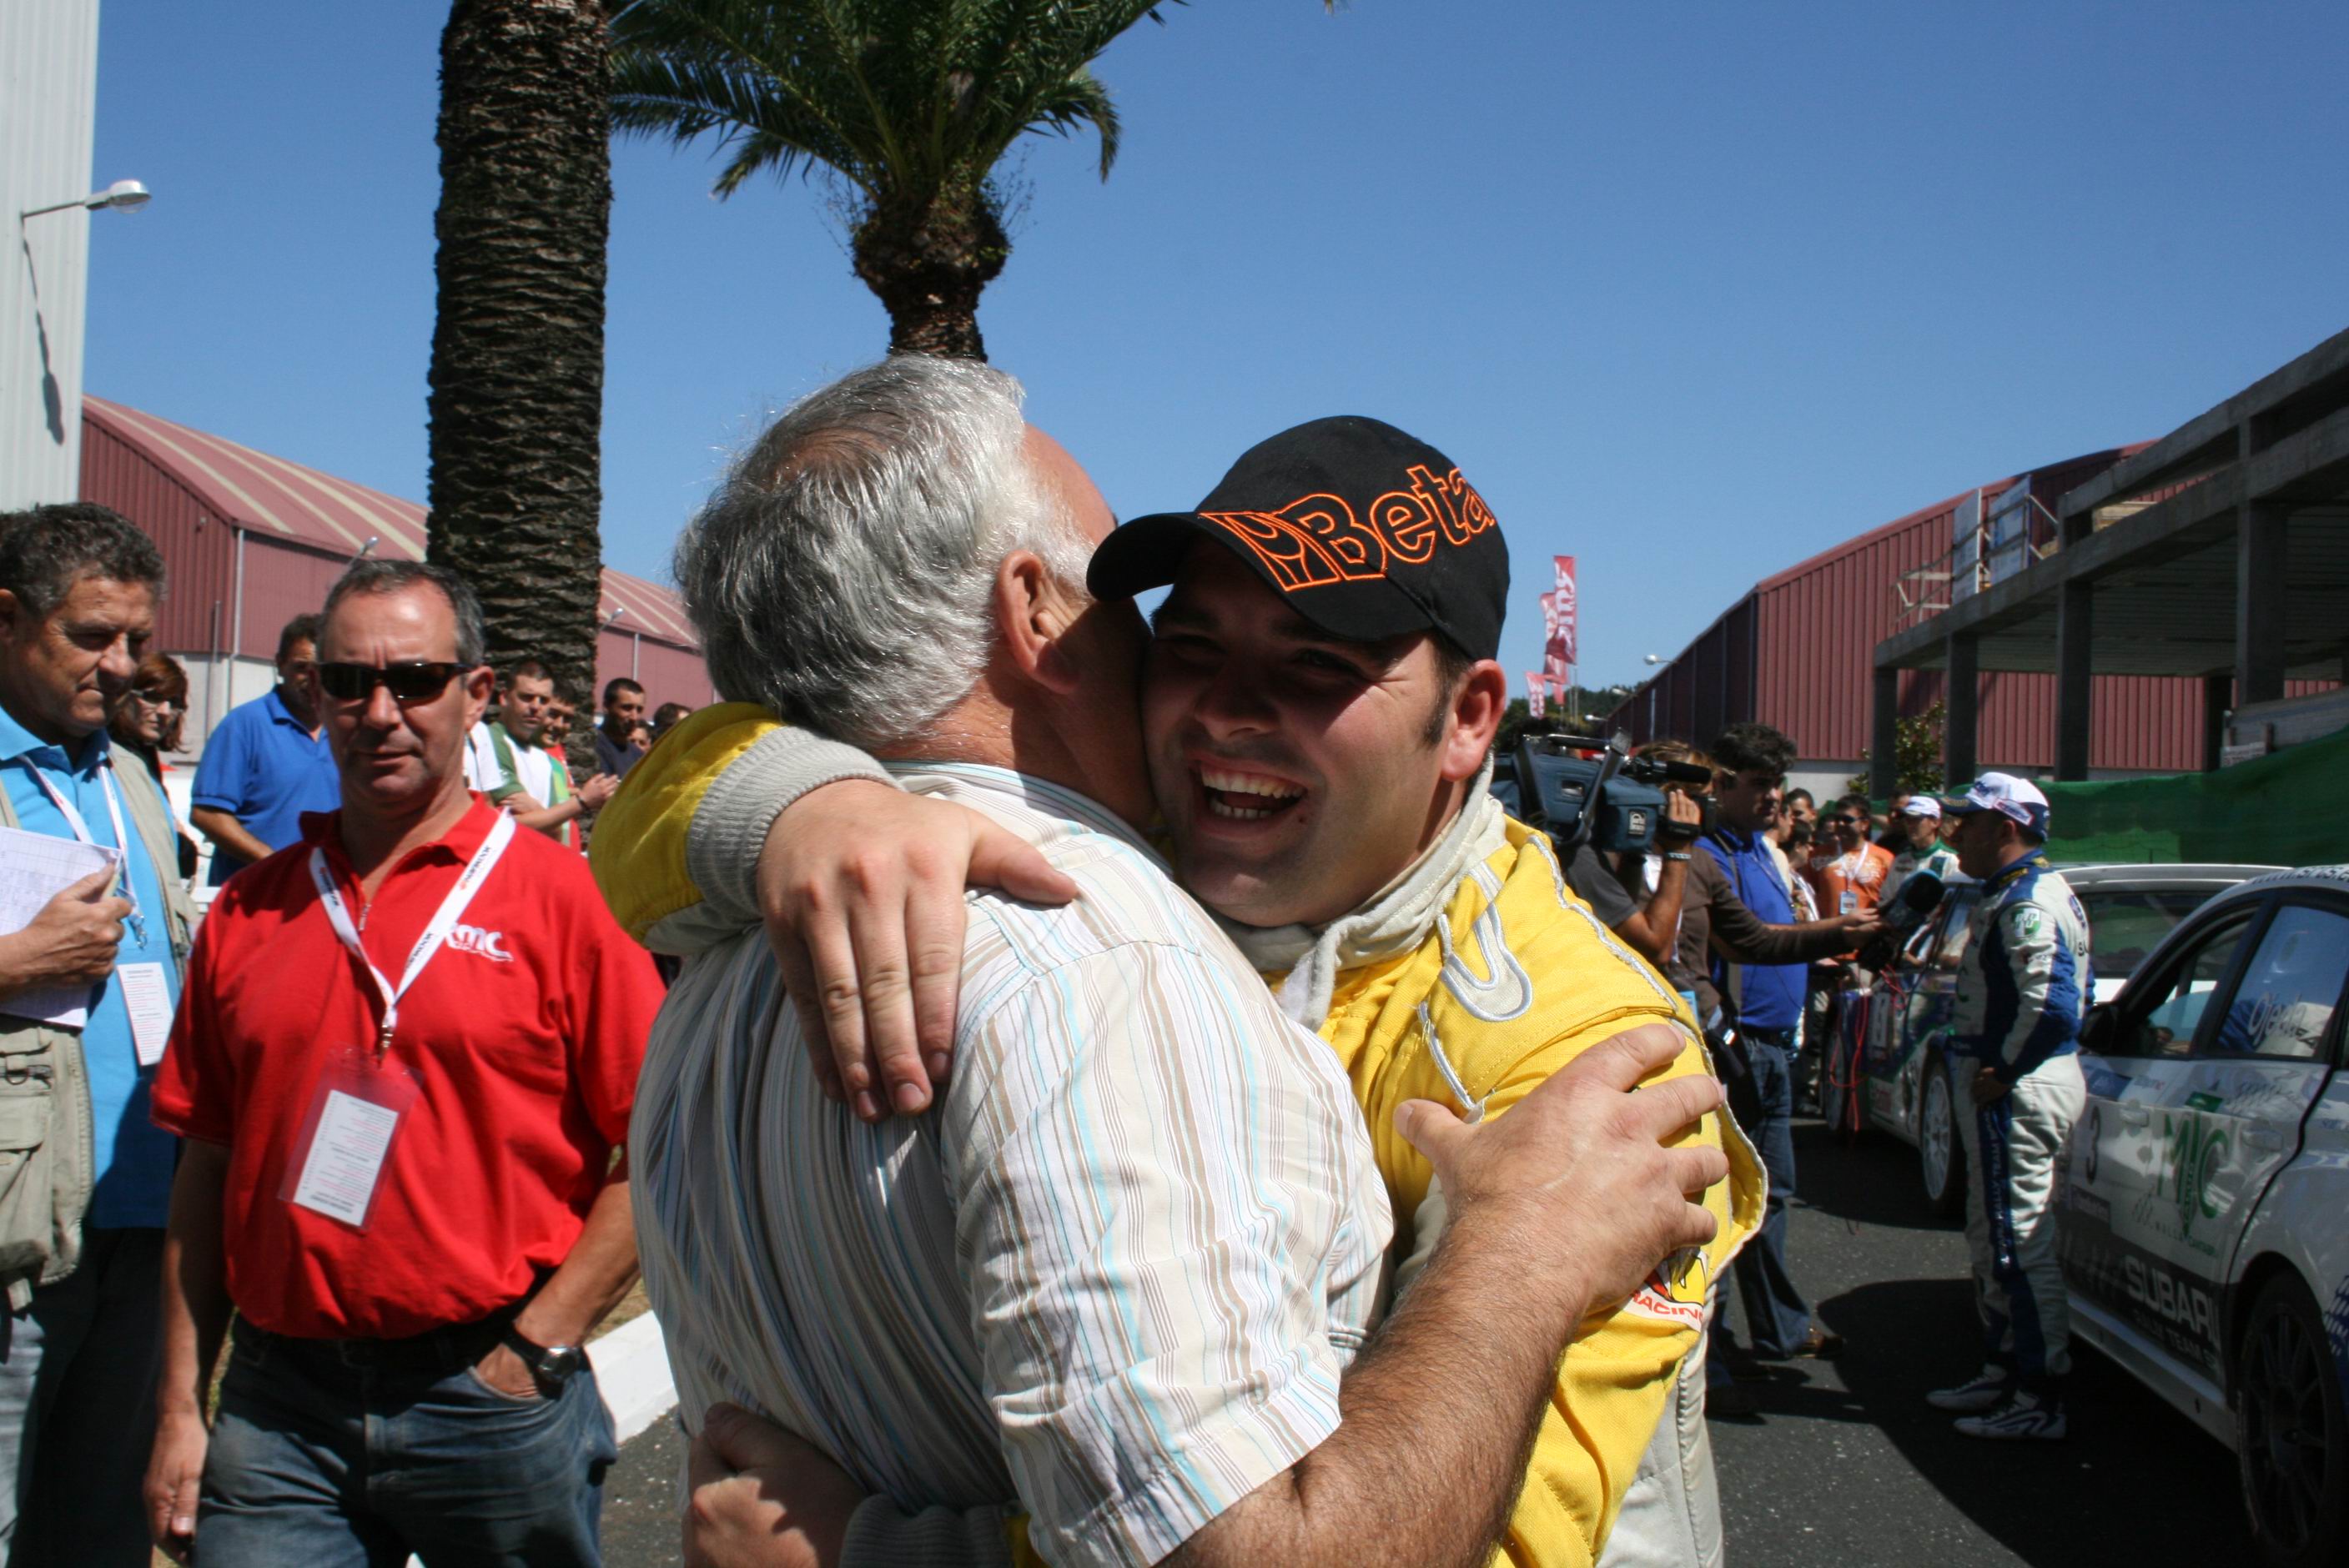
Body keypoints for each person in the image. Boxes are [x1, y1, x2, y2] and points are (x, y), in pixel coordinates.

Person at [596, 364, 1755, 1567]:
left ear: (1467, 719)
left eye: (1318, 664)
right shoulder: (1090, 863)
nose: (1226, 710)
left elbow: (1487, 1536)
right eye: (1189, 641)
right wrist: (796, 799)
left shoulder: (1581, 1053)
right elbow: (647, 823)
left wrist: (873, 1551)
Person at [143, 560, 662, 1565]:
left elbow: (660, 1147)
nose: (379, 712)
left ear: (475, 692)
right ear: (316, 695)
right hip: (278, 1408)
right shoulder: (251, 910)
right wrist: (177, 1407)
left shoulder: (564, 901)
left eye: (416, 680)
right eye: (348, 682)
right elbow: (204, 1166)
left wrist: (534, 1345)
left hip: (489, 1396)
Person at [0, 505, 198, 1567]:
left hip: (144, 1214)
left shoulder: (127, 777)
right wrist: (12, 963)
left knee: (99, 1529)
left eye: (136, 638)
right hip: (16, 1236)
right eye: (90, 636)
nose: (121, 664)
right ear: (5, 618)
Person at [1924, 772, 2090, 1441]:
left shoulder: (2029, 900)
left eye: (1969, 822)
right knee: (1992, 1233)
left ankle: (2039, 1395)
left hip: (2020, 1087)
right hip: (2013, 1081)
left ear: (2007, 828)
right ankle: (2003, 1369)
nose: (1956, 833)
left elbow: (2054, 1006)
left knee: (2018, 1241)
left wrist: (2003, 1070)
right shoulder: (2016, 891)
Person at [1698, 722, 1864, 1367]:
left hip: (1773, 1048)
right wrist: (1839, 933)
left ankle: (1780, 1330)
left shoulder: (1765, 851)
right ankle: (1712, 1352)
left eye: (1777, 783)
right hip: (1733, 1049)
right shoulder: (1706, 853)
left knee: (1772, 1197)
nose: (1773, 796)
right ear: (1720, 785)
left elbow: (1784, 934)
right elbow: (1748, 942)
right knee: (1721, 1201)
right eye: (1758, 783)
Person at [188, 614, 340, 884]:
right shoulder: (244, 725)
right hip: (253, 893)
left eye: (321, 669)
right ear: (279, 664)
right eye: (301, 667)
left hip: (328, 893)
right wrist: (275, 864)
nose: (313, 679)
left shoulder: (344, 728)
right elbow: (207, 815)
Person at [465, 659, 616, 846]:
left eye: (543, 700)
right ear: (504, 698)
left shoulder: (545, 760)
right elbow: (501, 825)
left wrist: (544, 816)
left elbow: (556, 833)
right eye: (526, 697)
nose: (536, 707)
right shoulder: (488, 739)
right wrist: (581, 801)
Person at [108, 651, 201, 880]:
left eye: (175, 703)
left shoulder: (143, 753)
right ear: (123, 693)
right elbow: (167, 850)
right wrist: (179, 841)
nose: (164, 712)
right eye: (152, 697)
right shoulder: (110, 757)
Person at [1883, 794, 1957, 903]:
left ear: (1935, 822)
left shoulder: (1950, 860)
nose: (1910, 825)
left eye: (1916, 819)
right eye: (1907, 819)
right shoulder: (1900, 860)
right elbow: (1885, 899)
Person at [593, 678, 648, 778]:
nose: (634, 717)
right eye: (627, 708)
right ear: (606, 707)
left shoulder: (638, 756)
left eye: (639, 710)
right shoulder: (591, 747)